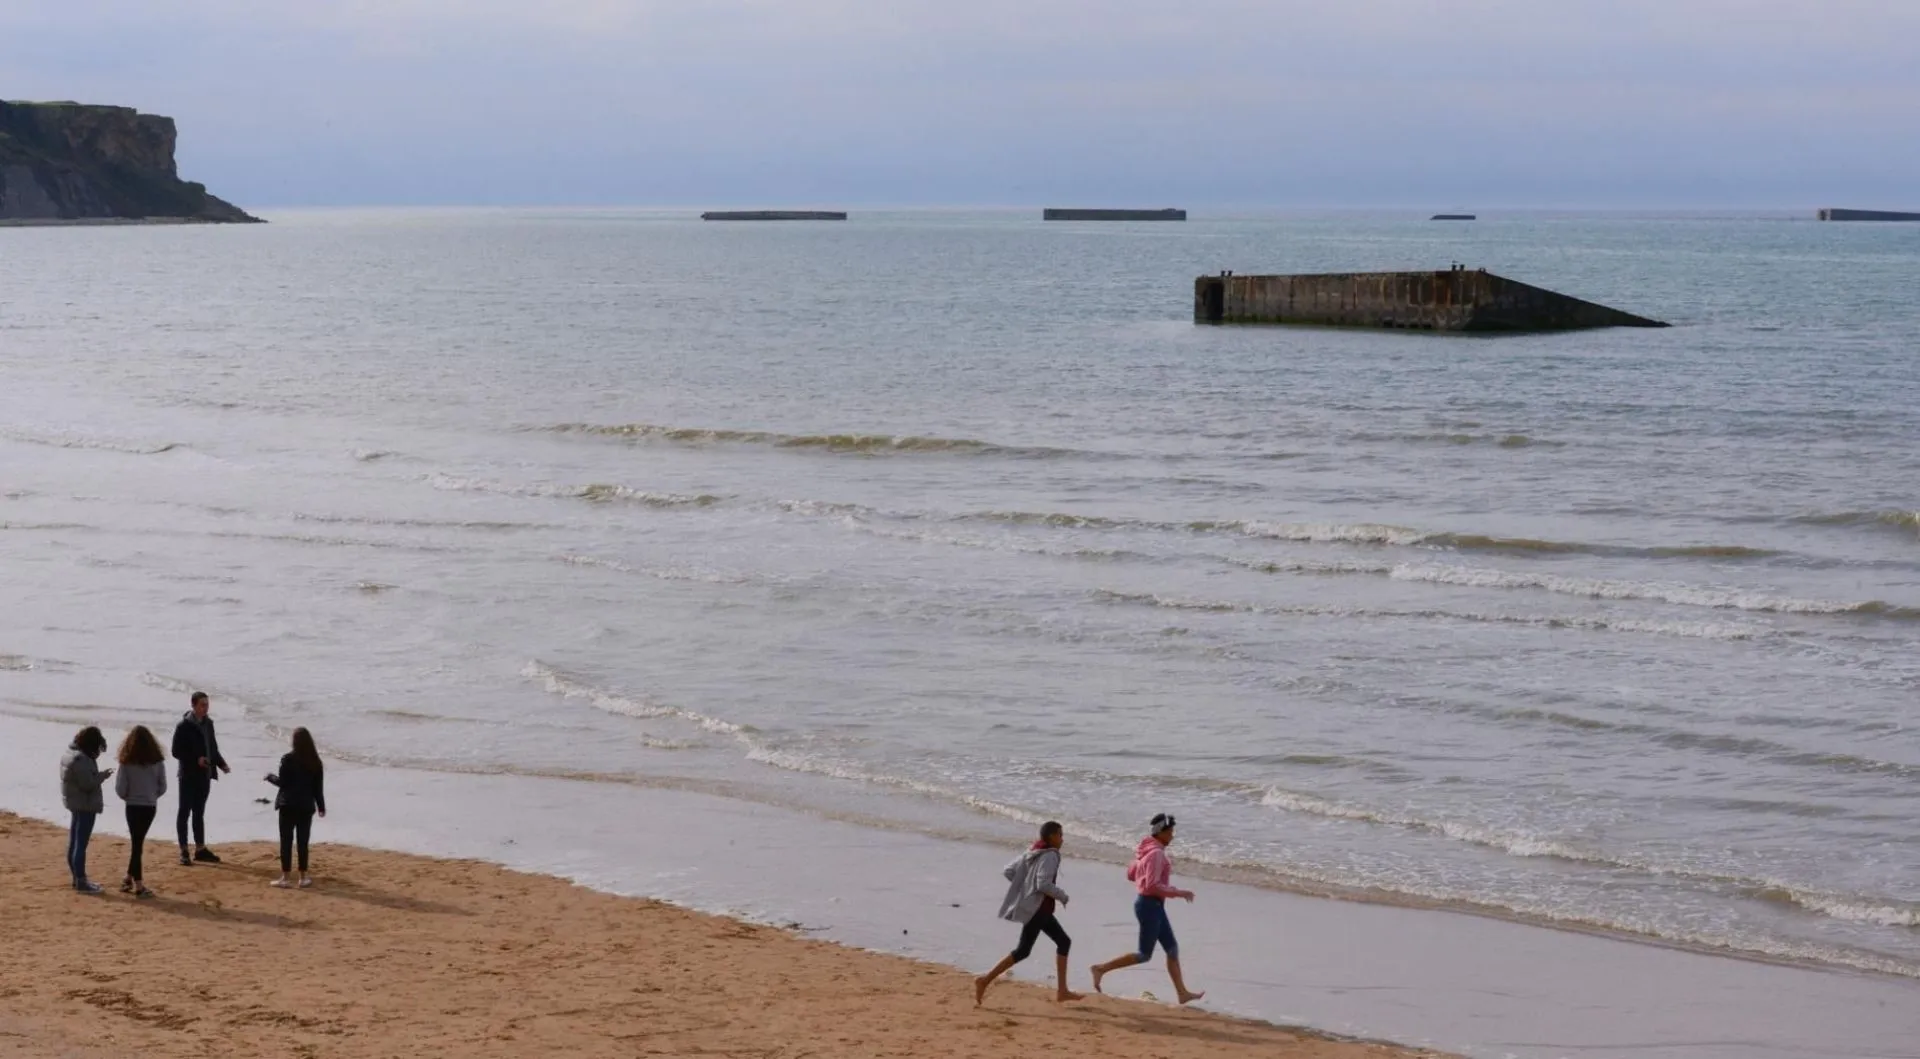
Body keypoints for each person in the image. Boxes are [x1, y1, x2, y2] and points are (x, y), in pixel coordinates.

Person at [1090, 813, 1204, 1005]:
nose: (1172, 835)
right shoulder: (1156, 853)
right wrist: (1179, 892)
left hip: (1152, 905)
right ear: (1161, 832)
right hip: (1149, 906)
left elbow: (1131, 874)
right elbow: (1152, 885)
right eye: (1170, 832)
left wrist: (1145, 875)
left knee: (1172, 949)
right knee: (1144, 955)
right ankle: (1100, 969)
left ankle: (1182, 993)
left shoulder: (1145, 851)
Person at [974, 821, 1082, 1006]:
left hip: (1036, 909)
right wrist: (1062, 896)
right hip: (1038, 910)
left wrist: (1025, 890)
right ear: (1052, 837)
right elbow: (1043, 884)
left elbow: (1009, 871)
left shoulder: (1033, 850)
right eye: (1060, 835)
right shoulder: (1050, 855)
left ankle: (1062, 991)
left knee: (1060, 942)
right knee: (1026, 950)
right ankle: (985, 980)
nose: (1062, 839)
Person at [171, 691, 230, 865]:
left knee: (199, 812)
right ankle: (184, 850)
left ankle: (200, 849)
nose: (206, 708)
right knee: (184, 811)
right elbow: (176, 751)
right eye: (202, 705)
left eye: (207, 704)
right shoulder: (183, 725)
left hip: (205, 775)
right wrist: (196, 759)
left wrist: (222, 764)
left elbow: (212, 748)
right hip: (188, 775)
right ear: (193, 705)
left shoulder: (208, 724)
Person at [265, 727, 326, 889]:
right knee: (302, 842)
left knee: (286, 841)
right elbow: (318, 788)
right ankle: (303, 877)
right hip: (306, 806)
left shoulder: (287, 759)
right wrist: (321, 807)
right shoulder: (315, 762)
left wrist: (270, 777)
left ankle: (285, 877)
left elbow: (283, 783)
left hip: (288, 805)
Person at [113, 725, 169, 898]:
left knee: (137, 844)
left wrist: (129, 797)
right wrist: (151, 795)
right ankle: (135, 882)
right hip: (149, 806)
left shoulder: (126, 762)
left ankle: (132, 880)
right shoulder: (157, 762)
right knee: (138, 844)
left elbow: (120, 789)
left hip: (132, 806)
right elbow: (163, 786)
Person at [59, 727, 113, 894]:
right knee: (80, 844)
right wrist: (103, 776)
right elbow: (87, 784)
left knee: (75, 842)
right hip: (85, 804)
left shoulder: (70, 754)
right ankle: (81, 881)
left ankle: (77, 878)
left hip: (75, 802)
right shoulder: (81, 759)